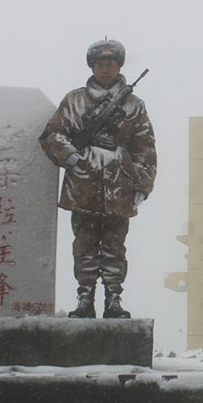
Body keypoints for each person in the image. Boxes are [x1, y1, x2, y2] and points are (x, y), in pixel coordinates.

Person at [39, 39, 157, 319]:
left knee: (115, 245)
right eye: (100, 64)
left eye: (111, 64)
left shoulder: (134, 105)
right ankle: (85, 297)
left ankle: (113, 297)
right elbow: (53, 134)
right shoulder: (75, 100)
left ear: (119, 66)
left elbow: (144, 148)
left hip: (120, 182)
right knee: (85, 243)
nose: (105, 70)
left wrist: (141, 185)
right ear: (92, 66)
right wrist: (70, 156)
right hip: (84, 181)